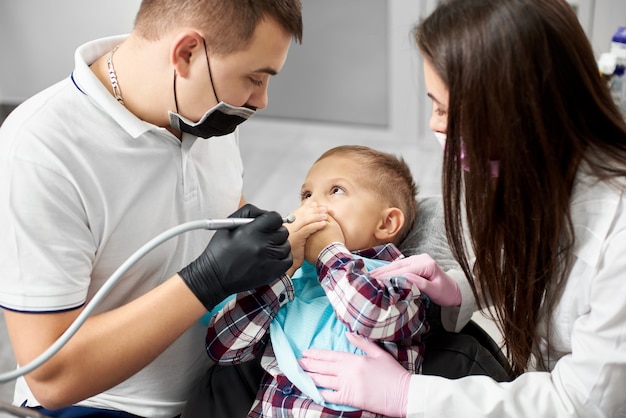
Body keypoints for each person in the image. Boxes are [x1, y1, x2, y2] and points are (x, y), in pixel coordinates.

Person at [297, 0, 626, 417]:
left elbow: (582, 403)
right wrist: (462, 288)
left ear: (516, 109)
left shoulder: (617, 235)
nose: (435, 124)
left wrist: (406, 394)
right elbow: (536, 265)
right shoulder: (537, 171)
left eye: (444, 109)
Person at [0, 1, 302, 416]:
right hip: (101, 404)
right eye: (254, 78)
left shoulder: (203, 110)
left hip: (216, 386)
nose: (261, 100)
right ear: (186, 54)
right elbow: (53, 376)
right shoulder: (41, 149)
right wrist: (205, 281)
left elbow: (216, 211)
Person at [205, 145, 452, 417]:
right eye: (306, 194)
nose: (311, 205)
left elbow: (370, 315)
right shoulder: (292, 285)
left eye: (336, 191)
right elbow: (223, 348)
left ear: (386, 224)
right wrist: (280, 273)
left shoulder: (402, 277)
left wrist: (329, 252)